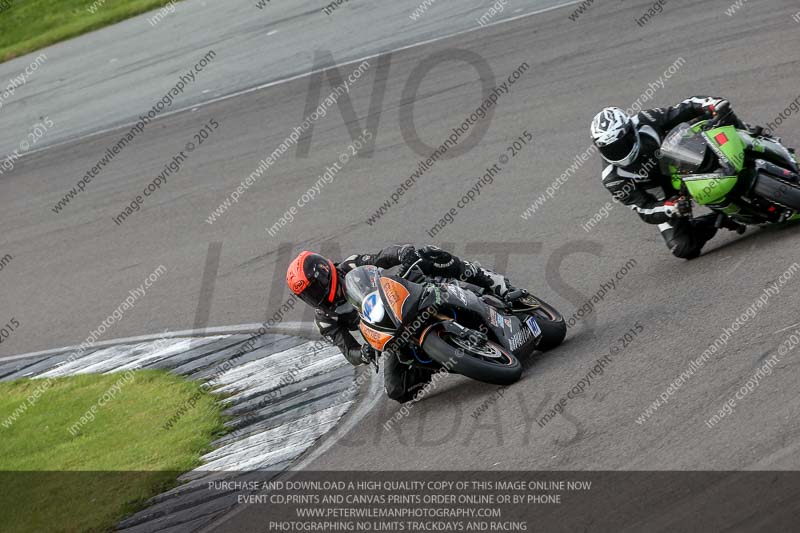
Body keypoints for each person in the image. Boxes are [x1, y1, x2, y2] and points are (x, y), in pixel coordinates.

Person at [286, 245, 512, 402]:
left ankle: (491, 283)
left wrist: (401, 253)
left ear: (324, 272)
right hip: (389, 332)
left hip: (402, 297)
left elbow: (381, 257)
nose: (314, 296)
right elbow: (348, 350)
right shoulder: (325, 319)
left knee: (428, 256)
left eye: (314, 287)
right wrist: (363, 353)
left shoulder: (350, 266)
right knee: (396, 390)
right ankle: (444, 356)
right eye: (307, 294)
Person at [589, 96, 769, 259]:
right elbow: (644, 209)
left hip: (680, 157)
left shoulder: (645, 121)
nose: (617, 152)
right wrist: (670, 208)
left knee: (708, 117)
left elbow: (684, 108)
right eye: (609, 149)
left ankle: (751, 137)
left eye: (621, 144)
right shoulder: (613, 178)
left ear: (631, 131)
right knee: (682, 247)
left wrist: (711, 105)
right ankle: (722, 217)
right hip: (662, 191)